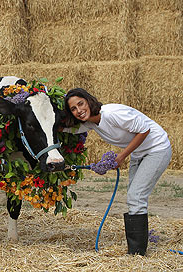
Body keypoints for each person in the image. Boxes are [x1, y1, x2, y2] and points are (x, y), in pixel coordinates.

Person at [62, 88, 171, 256]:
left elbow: (144, 130)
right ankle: (139, 245)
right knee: (134, 196)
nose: (78, 110)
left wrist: (121, 157)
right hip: (140, 153)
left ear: (89, 100)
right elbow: (65, 129)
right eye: (73, 109)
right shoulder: (90, 123)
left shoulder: (112, 113)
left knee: (136, 195)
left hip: (157, 148)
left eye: (80, 104)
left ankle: (137, 253)